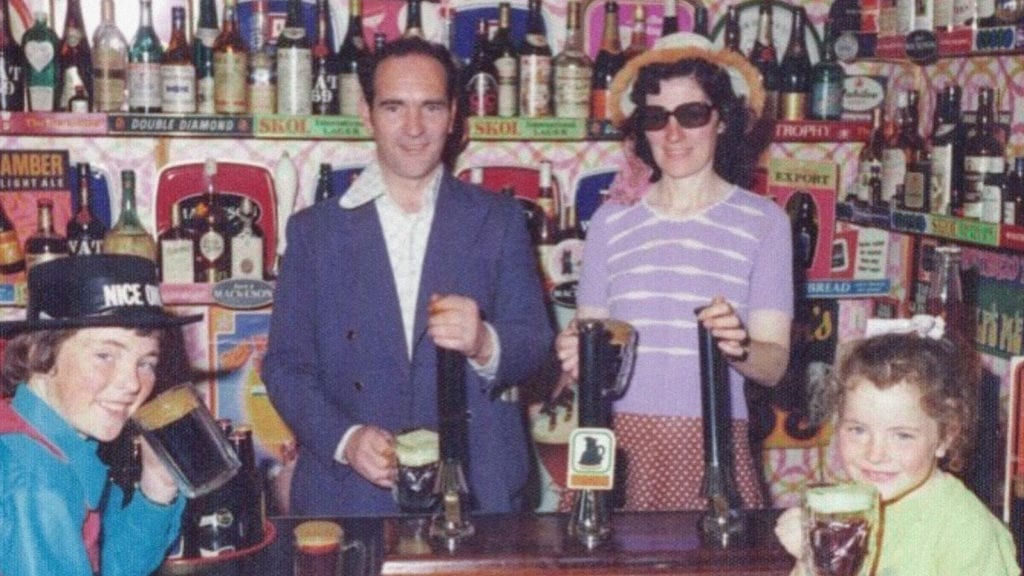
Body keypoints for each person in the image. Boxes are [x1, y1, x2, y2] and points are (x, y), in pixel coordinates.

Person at [262, 36, 552, 516]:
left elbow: (536, 343)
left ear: (454, 114)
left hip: (477, 487)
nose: (414, 128)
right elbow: (285, 368)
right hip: (352, 494)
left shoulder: (499, 219)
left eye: (431, 107)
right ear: (367, 113)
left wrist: (485, 342)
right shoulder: (315, 231)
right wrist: (347, 439)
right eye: (394, 107)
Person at [554, 32, 792, 511]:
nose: (674, 133)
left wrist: (738, 344)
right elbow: (593, 351)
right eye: (656, 118)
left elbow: (774, 366)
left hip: (713, 445)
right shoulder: (609, 221)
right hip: (612, 443)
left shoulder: (765, 222)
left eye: (692, 114)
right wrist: (577, 356)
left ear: (722, 120)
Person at [0, 254, 203, 576]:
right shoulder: (34, 481)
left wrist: (158, 485)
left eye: (146, 362)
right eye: (105, 355)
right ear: (41, 353)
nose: (132, 384)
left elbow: (107, 565)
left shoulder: (45, 442)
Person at [774, 328, 1020, 576]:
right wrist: (809, 562)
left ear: (945, 436)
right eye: (858, 430)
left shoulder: (966, 530)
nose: (875, 454)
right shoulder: (847, 509)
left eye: (902, 436)